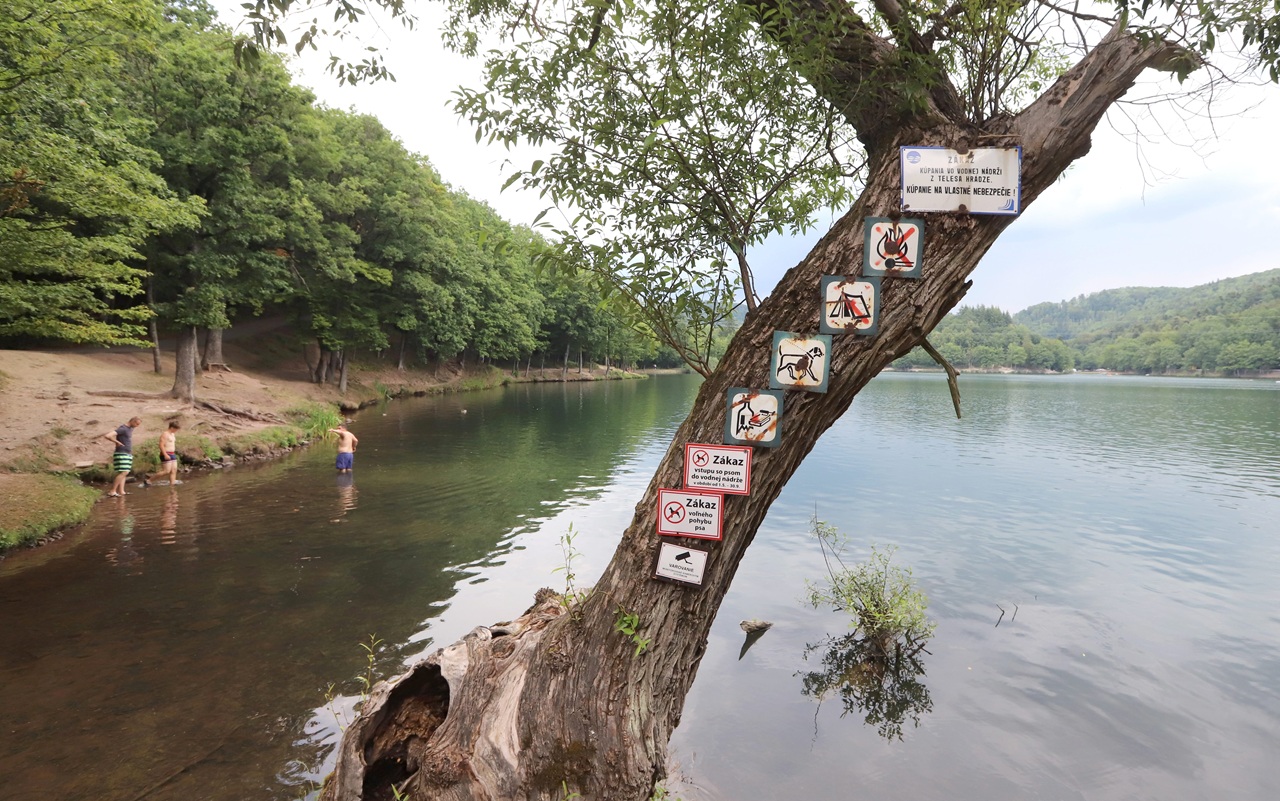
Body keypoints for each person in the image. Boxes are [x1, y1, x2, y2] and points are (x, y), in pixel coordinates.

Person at [101, 416, 142, 496]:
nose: (137, 426)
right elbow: (108, 435)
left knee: (124, 473)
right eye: (136, 424)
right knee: (124, 472)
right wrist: (117, 442)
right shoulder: (123, 428)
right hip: (121, 453)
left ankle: (121, 491)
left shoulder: (130, 428)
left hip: (127, 453)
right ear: (132, 421)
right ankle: (112, 491)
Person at [142, 420, 181, 487]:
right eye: (176, 429)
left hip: (172, 453)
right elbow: (161, 445)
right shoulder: (165, 434)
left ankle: (172, 484)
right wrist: (165, 454)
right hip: (166, 453)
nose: (176, 430)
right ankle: (149, 480)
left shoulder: (172, 434)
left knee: (174, 470)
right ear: (172, 427)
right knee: (166, 471)